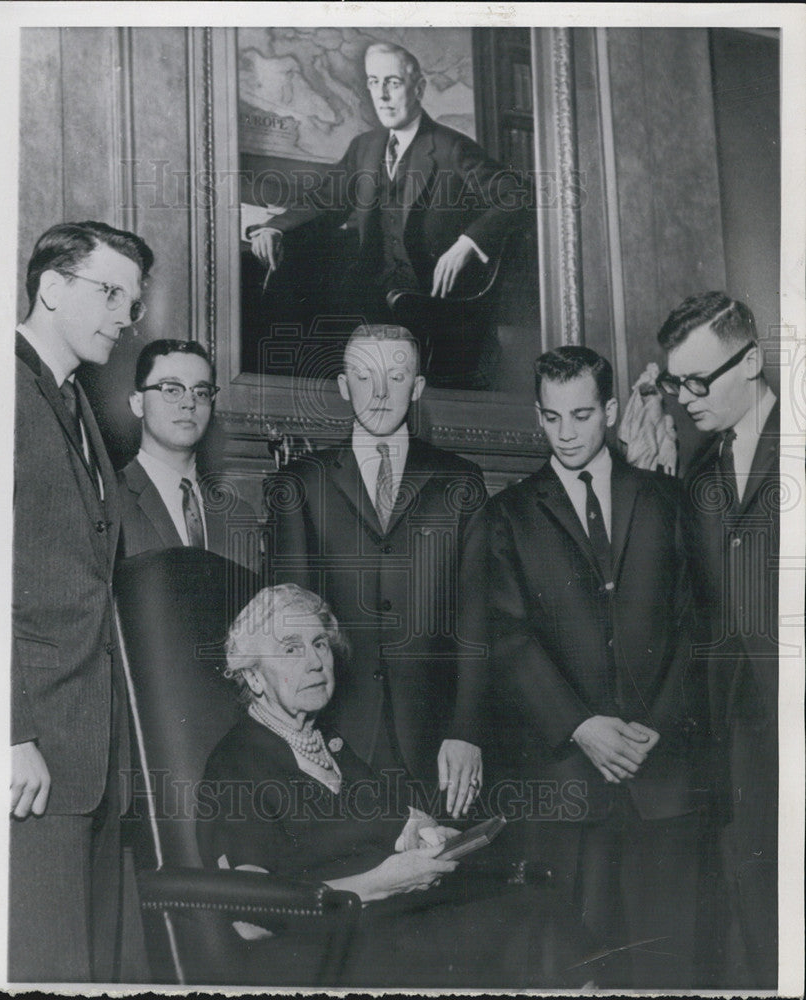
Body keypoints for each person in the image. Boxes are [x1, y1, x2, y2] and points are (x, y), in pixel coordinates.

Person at [197, 584, 595, 988]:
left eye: (319, 643)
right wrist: (381, 884)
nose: (316, 662)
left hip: (388, 926)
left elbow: (395, 824)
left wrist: (421, 836)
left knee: (537, 909)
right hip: (322, 954)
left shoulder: (332, 747)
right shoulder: (234, 764)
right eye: (290, 649)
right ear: (253, 676)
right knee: (528, 926)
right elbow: (250, 920)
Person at [460, 345, 709, 988]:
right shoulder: (505, 516)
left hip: (665, 783)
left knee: (670, 964)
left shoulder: (666, 500)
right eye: (551, 418)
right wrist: (580, 725)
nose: (566, 434)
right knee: (574, 968)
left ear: (611, 410)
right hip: (566, 787)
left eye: (580, 415)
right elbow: (507, 639)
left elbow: (695, 626)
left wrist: (655, 721)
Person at [265, 324, 488, 818]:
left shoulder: (460, 480)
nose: (382, 393)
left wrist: (466, 731)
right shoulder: (301, 483)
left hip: (437, 741)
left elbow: (477, 618)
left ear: (419, 387)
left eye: (397, 375)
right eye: (365, 378)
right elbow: (290, 624)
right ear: (344, 387)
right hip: (334, 732)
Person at [11, 220, 153, 981]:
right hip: (32, 749)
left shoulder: (76, 403)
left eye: (132, 301)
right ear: (52, 286)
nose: (125, 316)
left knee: (86, 964)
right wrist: (9, 732)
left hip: (90, 748)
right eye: (109, 292)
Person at [248, 41, 533, 385]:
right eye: (373, 82)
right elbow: (326, 200)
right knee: (289, 303)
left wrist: (467, 243)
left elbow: (516, 195)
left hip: (432, 297)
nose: (381, 95)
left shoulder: (451, 148)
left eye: (393, 83)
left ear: (419, 88)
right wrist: (275, 228)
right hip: (370, 290)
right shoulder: (364, 147)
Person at [656, 292, 779, 988]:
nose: (684, 396)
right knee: (751, 900)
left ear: (753, 361)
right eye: (675, 381)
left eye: (698, 380)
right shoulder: (697, 471)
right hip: (734, 733)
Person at [119, 338, 259, 571]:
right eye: (172, 390)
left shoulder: (239, 516)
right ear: (137, 403)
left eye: (201, 392)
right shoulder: (108, 501)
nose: (189, 403)